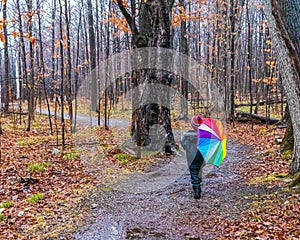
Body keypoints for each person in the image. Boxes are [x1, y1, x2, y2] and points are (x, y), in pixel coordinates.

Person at [180, 115, 206, 199]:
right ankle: (199, 181)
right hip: (201, 156)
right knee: (199, 168)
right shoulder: (205, 135)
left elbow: (183, 144)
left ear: (192, 125)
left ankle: (196, 188)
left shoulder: (187, 135)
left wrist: (188, 148)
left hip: (191, 156)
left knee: (193, 171)